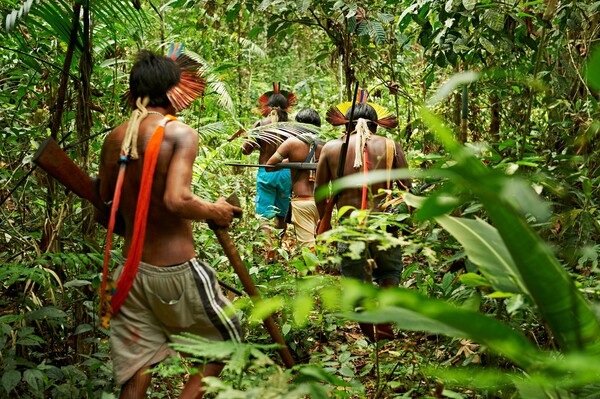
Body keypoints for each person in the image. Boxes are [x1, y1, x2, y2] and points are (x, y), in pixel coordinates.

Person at [96, 49, 243, 399]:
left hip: (130, 274)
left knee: (137, 368)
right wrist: (216, 210)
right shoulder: (179, 133)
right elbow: (177, 199)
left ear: (134, 91)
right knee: (227, 339)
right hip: (175, 271)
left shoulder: (114, 137)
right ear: (175, 89)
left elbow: (104, 210)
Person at [315, 101, 411, 342]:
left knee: (355, 286)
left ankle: (373, 338)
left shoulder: (331, 148)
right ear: (376, 125)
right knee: (389, 276)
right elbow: (407, 189)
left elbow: (320, 192)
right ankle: (386, 333)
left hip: (350, 228)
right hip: (385, 224)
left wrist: (324, 220)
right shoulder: (391, 146)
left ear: (344, 124)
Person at [241, 84, 296, 258]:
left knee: (265, 215)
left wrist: (255, 142)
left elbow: (245, 150)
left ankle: (268, 251)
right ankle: (278, 251)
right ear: (286, 108)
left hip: (266, 172)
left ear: (268, 107)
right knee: (281, 214)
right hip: (286, 173)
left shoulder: (260, 124)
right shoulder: (293, 126)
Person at [266, 109, 323, 249]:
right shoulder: (326, 145)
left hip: (302, 202)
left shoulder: (292, 143)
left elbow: (269, 166)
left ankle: (313, 271)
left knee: (309, 248)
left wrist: (291, 161)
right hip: (322, 203)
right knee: (319, 244)